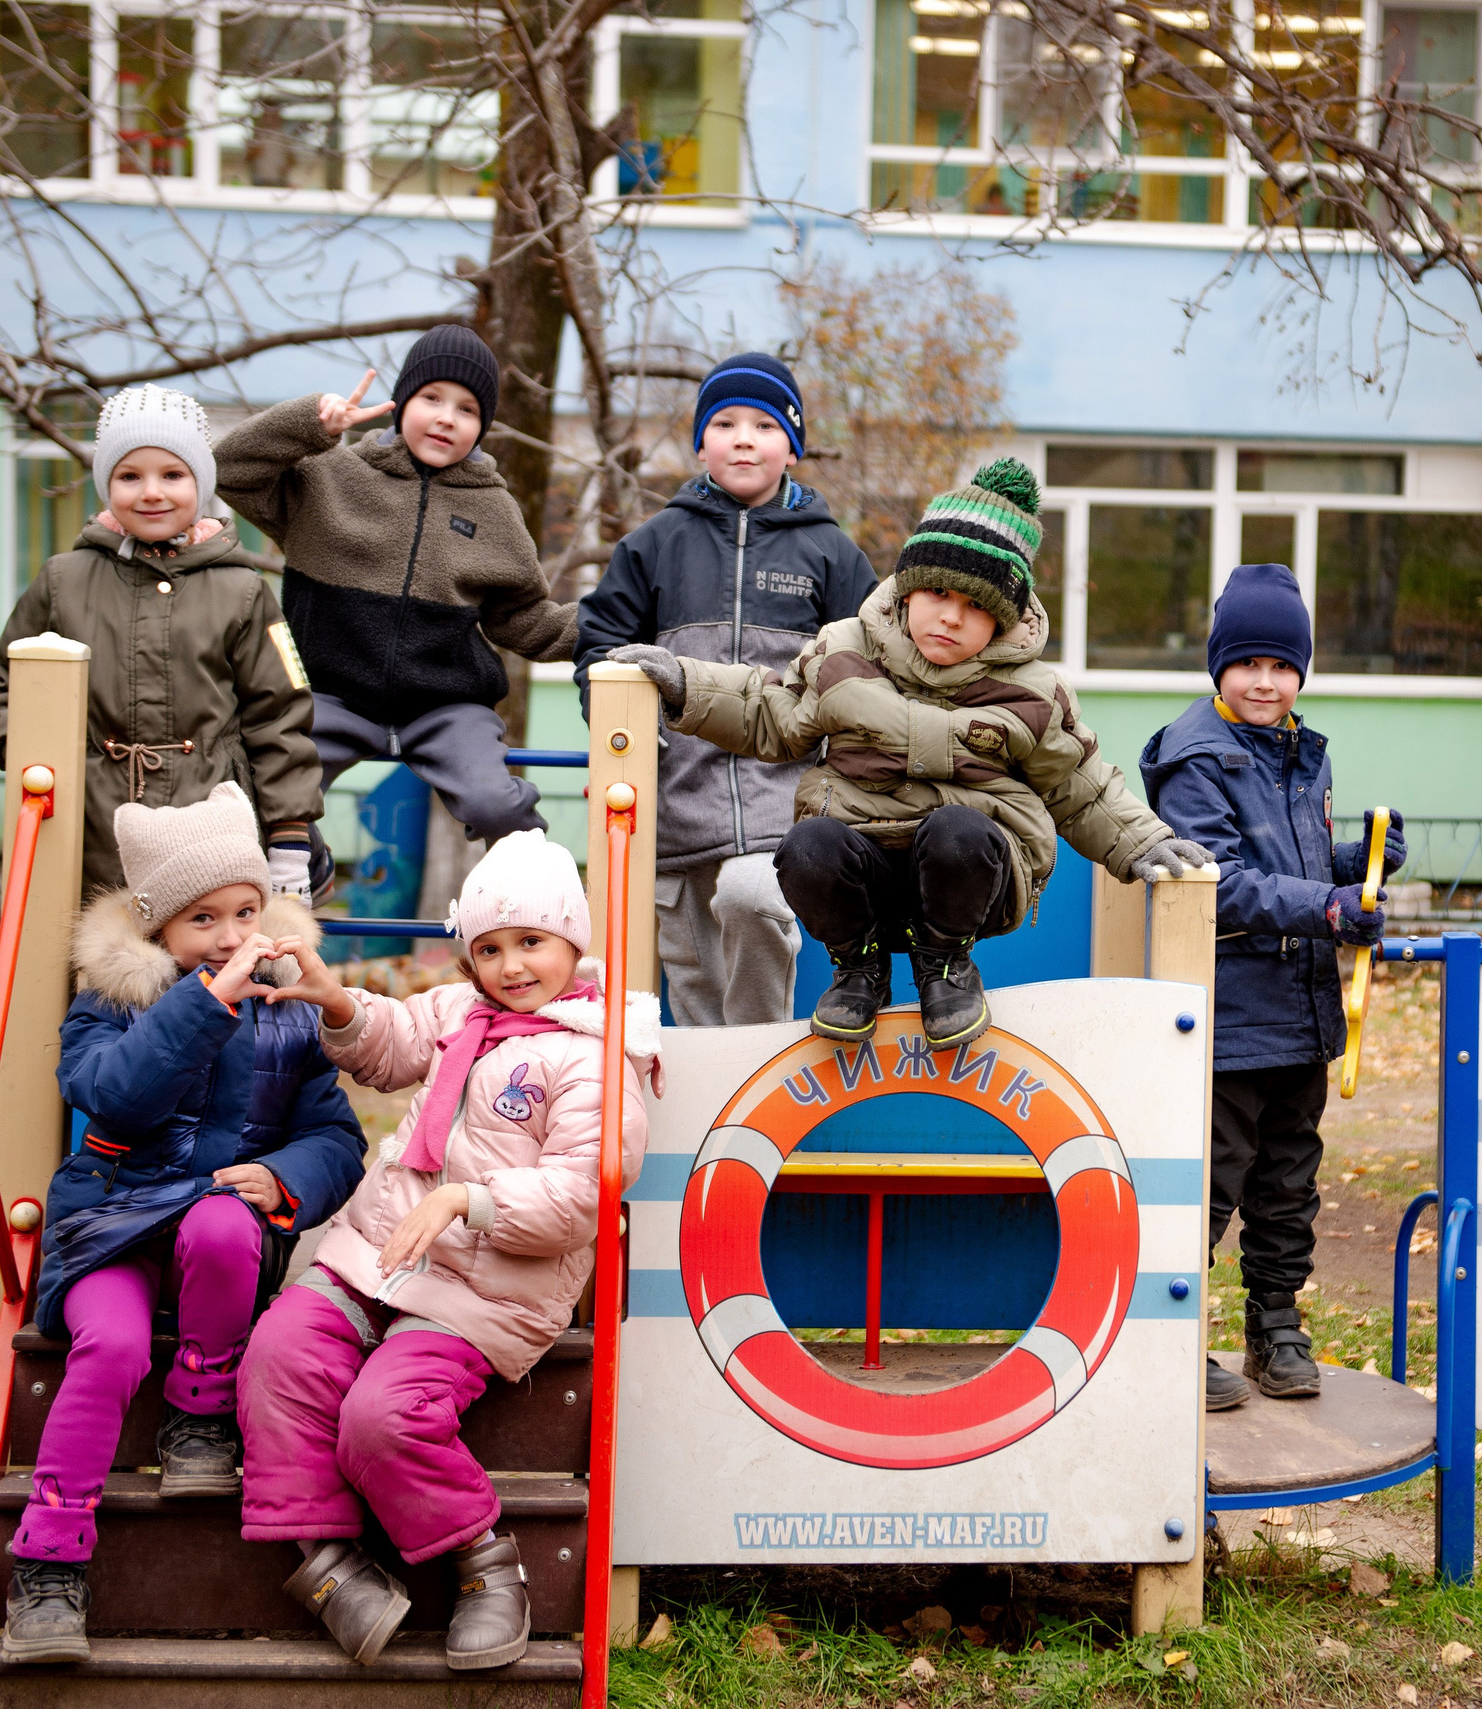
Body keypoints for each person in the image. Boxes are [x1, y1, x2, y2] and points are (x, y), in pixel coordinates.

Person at [609, 458, 1212, 1050]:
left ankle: (946, 965)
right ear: (906, 588)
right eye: (938, 593)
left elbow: (1078, 785)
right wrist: (686, 683)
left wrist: (1144, 844)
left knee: (958, 831)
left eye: (976, 607)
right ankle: (858, 967)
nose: (950, 617)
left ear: (1004, 621)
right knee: (807, 845)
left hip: (969, 878)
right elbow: (769, 711)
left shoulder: (1031, 692)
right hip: (862, 871)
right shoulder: (844, 651)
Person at [237, 830, 656, 1671]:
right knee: (277, 1353)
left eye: (531, 941)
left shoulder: (595, 1054)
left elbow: (582, 1191)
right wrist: (335, 1000)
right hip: (382, 1250)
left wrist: (471, 1200)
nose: (510, 965)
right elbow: (390, 1040)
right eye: (489, 948)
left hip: (485, 1289)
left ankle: (483, 1562)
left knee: (383, 1417)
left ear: (573, 941)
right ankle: (327, 1560)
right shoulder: (460, 1012)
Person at [0, 782, 367, 1663]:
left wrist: (283, 1175)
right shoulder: (111, 1003)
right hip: (112, 1229)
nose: (233, 937)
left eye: (246, 911)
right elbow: (113, 1095)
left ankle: (200, 1411)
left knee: (223, 1222)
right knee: (112, 1346)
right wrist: (201, 1006)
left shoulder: (288, 1013)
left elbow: (336, 1137)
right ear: (158, 928)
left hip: (216, 1244)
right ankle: (47, 1566)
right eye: (204, 919)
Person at [1139, 563, 1409, 1410]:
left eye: (1282, 665)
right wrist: (1327, 908)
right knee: (1212, 1183)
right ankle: (1169, 1337)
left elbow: (1290, 861)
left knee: (1289, 1183)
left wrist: (1355, 864)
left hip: (1299, 1009)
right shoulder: (1195, 757)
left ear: (1302, 671)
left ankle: (1275, 1326)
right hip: (1227, 1014)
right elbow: (1219, 879)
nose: (1265, 681)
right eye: (1248, 664)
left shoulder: (1299, 750)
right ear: (1218, 666)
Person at [573, 352, 878, 1027]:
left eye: (766, 426)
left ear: (792, 449)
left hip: (781, 803)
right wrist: (624, 729)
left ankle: (757, 1059)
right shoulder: (656, 543)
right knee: (693, 980)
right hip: (677, 803)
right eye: (726, 423)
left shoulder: (831, 552)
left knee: (751, 899)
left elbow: (868, 665)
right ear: (701, 443)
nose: (744, 439)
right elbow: (600, 646)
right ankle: (708, 1087)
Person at [213, 327, 577, 845]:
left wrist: (616, 625)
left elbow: (524, 618)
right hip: (329, 697)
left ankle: (537, 872)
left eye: (467, 409)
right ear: (402, 402)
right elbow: (229, 469)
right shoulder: (329, 477)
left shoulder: (493, 509)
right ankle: (309, 871)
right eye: (431, 398)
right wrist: (309, 424)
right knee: (262, 793)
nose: (447, 418)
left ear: (482, 427)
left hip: (446, 708)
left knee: (493, 803)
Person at [0, 385, 321, 905]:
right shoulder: (63, 581)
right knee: (100, 951)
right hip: (88, 824)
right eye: (129, 476)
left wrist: (289, 840)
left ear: (200, 482)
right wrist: (33, 758)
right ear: (107, 485)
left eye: (172, 475)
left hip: (212, 821)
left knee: (206, 948)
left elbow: (279, 716)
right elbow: (9, 683)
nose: (151, 492)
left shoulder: (242, 590)